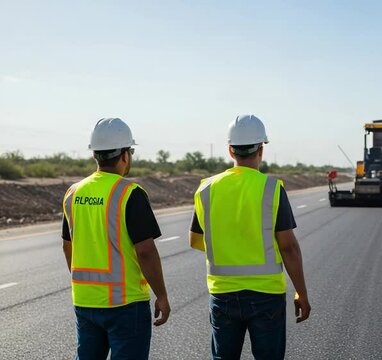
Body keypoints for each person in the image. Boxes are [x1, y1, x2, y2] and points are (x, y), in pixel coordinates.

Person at [189, 114, 311, 359]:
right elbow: (288, 248)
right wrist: (301, 292)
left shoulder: (206, 188)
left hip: (222, 294)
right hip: (266, 295)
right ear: (261, 150)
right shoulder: (272, 188)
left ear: (230, 150)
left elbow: (195, 240)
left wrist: (230, 245)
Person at [62, 118, 170, 360]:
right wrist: (161, 295)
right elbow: (145, 251)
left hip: (85, 302)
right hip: (126, 304)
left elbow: (68, 246)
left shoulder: (74, 193)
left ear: (95, 155)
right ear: (124, 155)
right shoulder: (130, 193)